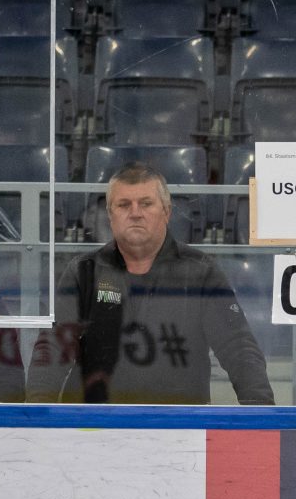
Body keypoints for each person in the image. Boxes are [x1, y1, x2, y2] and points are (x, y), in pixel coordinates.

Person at [53, 163, 273, 404]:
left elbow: (238, 347)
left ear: (167, 212)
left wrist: (261, 414)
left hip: (179, 421)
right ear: (110, 215)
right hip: (94, 421)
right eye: (124, 205)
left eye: (146, 204)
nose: (135, 213)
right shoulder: (83, 271)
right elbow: (53, 350)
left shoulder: (201, 272)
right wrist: (35, 414)